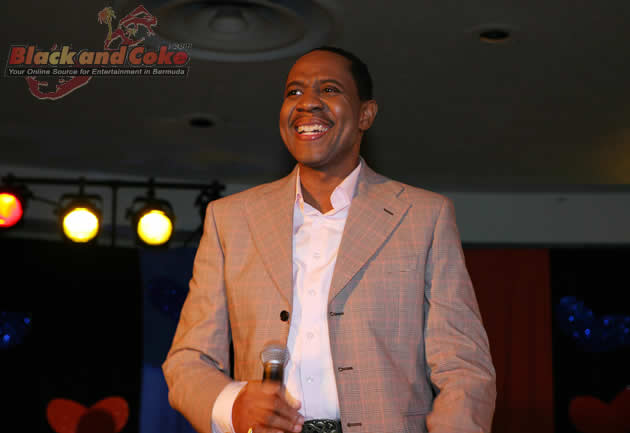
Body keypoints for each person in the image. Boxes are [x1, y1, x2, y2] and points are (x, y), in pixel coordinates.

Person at [163, 46, 496, 433]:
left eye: (329, 89)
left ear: (365, 114)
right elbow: (189, 359)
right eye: (294, 92)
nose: (307, 103)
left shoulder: (423, 217)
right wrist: (234, 406)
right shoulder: (231, 220)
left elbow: (463, 367)